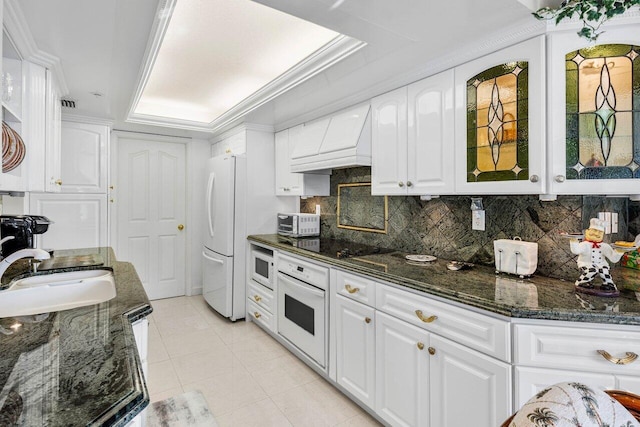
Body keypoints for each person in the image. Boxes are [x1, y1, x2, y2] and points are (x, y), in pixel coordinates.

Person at [570, 218, 624, 296]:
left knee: (604, 271)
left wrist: (619, 251)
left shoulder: (605, 246)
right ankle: (582, 282)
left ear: (603, 234)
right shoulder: (584, 244)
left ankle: (608, 284)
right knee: (592, 270)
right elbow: (575, 251)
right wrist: (573, 241)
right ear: (587, 232)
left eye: (599, 232)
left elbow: (613, 259)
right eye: (594, 231)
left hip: (601, 264)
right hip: (586, 263)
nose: (596, 234)